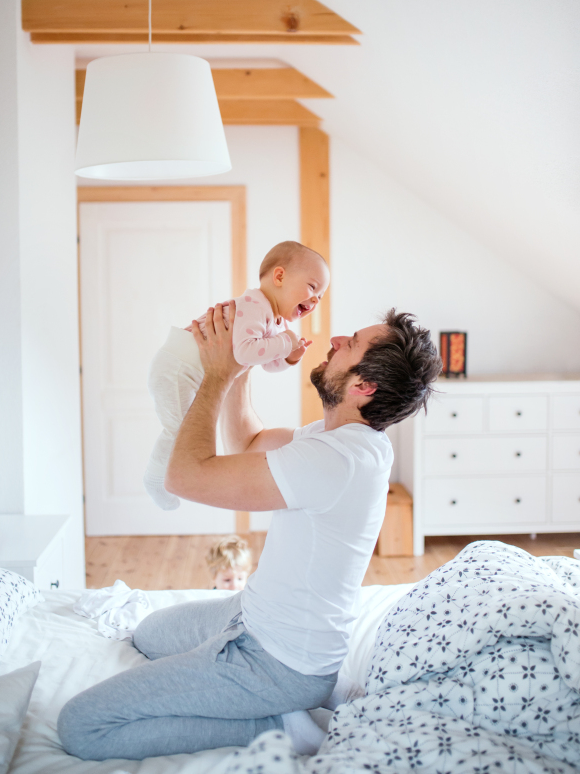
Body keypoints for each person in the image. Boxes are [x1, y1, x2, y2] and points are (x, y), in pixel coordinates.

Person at [58, 303, 442, 761]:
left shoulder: (336, 460)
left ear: (363, 386)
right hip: (251, 618)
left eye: (351, 344)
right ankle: (295, 698)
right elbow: (249, 442)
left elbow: (183, 477)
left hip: (278, 664)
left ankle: (277, 722)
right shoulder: (343, 439)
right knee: (146, 635)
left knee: (82, 727)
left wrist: (216, 376)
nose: (336, 340)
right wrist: (241, 360)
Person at [144, 240, 329, 510]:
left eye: (320, 296)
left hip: (186, 369)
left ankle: (162, 479)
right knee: (179, 431)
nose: (315, 300)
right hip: (176, 367)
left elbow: (264, 362)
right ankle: (156, 480)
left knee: (182, 430)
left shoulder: (275, 320)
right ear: (279, 276)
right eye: (312, 287)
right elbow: (244, 353)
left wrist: (288, 357)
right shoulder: (255, 304)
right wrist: (286, 343)